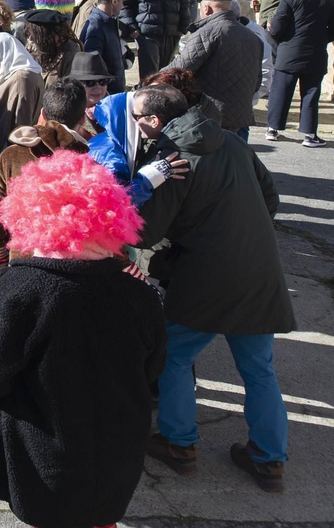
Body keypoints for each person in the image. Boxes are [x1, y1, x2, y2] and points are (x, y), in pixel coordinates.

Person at [0, 151, 166, 528]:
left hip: (46, 453)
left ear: (29, 215)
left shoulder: (24, 287)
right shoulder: (138, 293)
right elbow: (154, 369)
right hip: (117, 451)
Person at [131, 83, 296, 493]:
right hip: (259, 273)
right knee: (260, 369)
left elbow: (145, 233)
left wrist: (142, 190)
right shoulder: (233, 143)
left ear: (154, 121)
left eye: (137, 119)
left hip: (204, 279)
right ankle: (269, 460)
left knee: (172, 357)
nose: (134, 125)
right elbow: (270, 198)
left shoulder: (173, 161)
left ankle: (180, 444)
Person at [0, 79, 90, 287]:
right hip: (72, 269)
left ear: (43, 113)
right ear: (82, 117)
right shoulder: (90, 160)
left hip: (21, 261)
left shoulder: (12, 155)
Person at [172, 0, 266, 138]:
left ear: (207, 9)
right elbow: (257, 81)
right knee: (232, 158)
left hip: (210, 113)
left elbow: (178, 69)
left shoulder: (207, 33)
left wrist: (146, 84)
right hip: (239, 114)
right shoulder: (253, 37)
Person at [264, 0, 334, 146]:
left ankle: (273, 129)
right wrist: (320, 39)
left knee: (281, 91)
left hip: (288, 54)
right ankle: (310, 134)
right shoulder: (329, 0)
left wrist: (277, 34)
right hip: (316, 55)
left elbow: (278, 27)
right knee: (311, 94)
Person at [0, 0, 46, 167]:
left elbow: (18, 123)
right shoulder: (20, 74)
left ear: (3, 53)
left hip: (13, 155)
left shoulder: (21, 79)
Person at [80, 0, 128, 94]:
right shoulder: (95, 27)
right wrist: (101, 90)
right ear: (114, 1)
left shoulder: (107, 23)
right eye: (122, 2)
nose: (122, 6)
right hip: (106, 93)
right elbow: (92, 64)